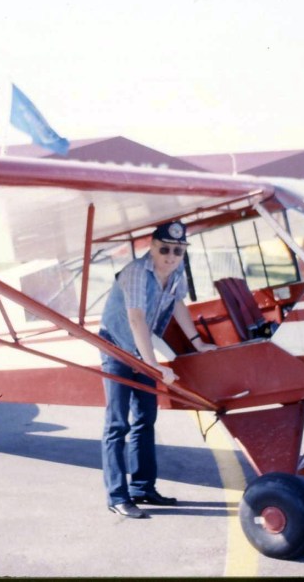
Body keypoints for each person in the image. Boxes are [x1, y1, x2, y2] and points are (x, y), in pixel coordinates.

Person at [98, 220, 217, 519]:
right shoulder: (137, 272)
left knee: (145, 418)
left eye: (178, 250)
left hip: (142, 346)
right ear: (151, 247)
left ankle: (142, 488)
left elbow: (177, 304)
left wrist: (197, 343)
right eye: (164, 248)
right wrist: (150, 364)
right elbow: (136, 319)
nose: (171, 256)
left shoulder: (175, 271)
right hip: (117, 346)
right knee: (117, 425)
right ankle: (117, 496)